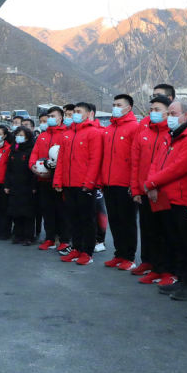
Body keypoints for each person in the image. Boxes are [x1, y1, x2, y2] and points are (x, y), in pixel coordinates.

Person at [143, 99, 187, 299]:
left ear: (186, 115)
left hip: (183, 198)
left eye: (173, 113)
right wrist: (152, 182)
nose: (169, 118)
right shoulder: (169, 137)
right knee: (175, 240)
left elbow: (179, 167)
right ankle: (181, 278)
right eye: (168, 114)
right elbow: (156, 163)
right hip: (167, 198)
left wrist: (152, 183)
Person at [54, 102, 104, 265]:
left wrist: (89, 183)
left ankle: (87, 252)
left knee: (87, 219)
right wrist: (58, 180)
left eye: (78, 111)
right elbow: (61, 159)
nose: (74, 114)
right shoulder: (67, 134)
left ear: (88, 114)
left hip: (84, 185)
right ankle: (76, 248)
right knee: (73, 218)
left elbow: (95, 160)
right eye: (73, 111)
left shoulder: (93, 133)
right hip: (68, 184)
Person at [131, 95, 172, 281]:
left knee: (165, 232)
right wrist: (136, 189)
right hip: (145, 190)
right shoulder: (144, 132)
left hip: (164, 192)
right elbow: (136, 163)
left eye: (157, 110)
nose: (153, 113)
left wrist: (154, 184)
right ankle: (153, 265)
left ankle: (166, 269)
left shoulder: (171, 133)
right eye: (151, 110)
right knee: (149, 230)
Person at [100, 94, 140, 270]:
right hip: (109, 182)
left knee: (127, 221)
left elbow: (136, 159)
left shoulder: (134, 128)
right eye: (114, 104)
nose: (115, 107)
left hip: (125, 183)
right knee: (115, 221)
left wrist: (134, 183)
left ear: (129, 108)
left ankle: (129, 257)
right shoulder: (108, 129)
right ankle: (119, 253)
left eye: (119, 105)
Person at [30, 106, 65, 251]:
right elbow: (34, 154)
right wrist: (33, 167)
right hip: (42, 179)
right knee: (47, 210)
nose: (50, 118)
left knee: (61, 211)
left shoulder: (65, 135)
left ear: (60, 118)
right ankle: (49, 237)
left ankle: (63, 239)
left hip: (59, 181)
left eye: (53, 116)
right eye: (48, 116)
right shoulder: (43, 136)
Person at [4, 126, 36, 245]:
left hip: (27, 186)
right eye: (17, 135)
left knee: (27, 213)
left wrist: (33, 186)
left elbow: (33, 170)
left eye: (21, 135)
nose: (19, 137)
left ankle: (28, 236)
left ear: (27, 137)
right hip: (14, 185)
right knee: (15, 211)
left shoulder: (31, 149)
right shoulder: (14, 149)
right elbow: (9, 169)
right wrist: (7, 185)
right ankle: (18, 234)